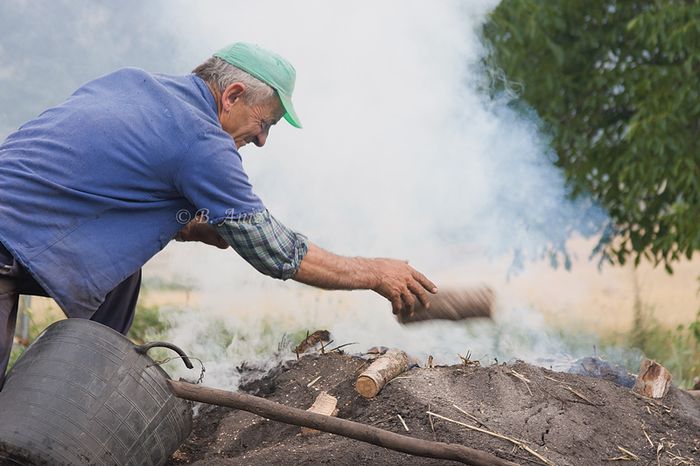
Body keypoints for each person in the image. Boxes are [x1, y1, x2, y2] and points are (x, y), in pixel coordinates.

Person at [0, 42, 436, 388]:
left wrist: (189, 226)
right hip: (7, 245)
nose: (263, 140)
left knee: (120, 268)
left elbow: (97, 189)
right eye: (265, 123)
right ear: (232, 95)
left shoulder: (130, 83)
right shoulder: (202, 140)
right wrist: (376, 272)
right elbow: (275, 252)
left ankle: (81, 387)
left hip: (17, 234)